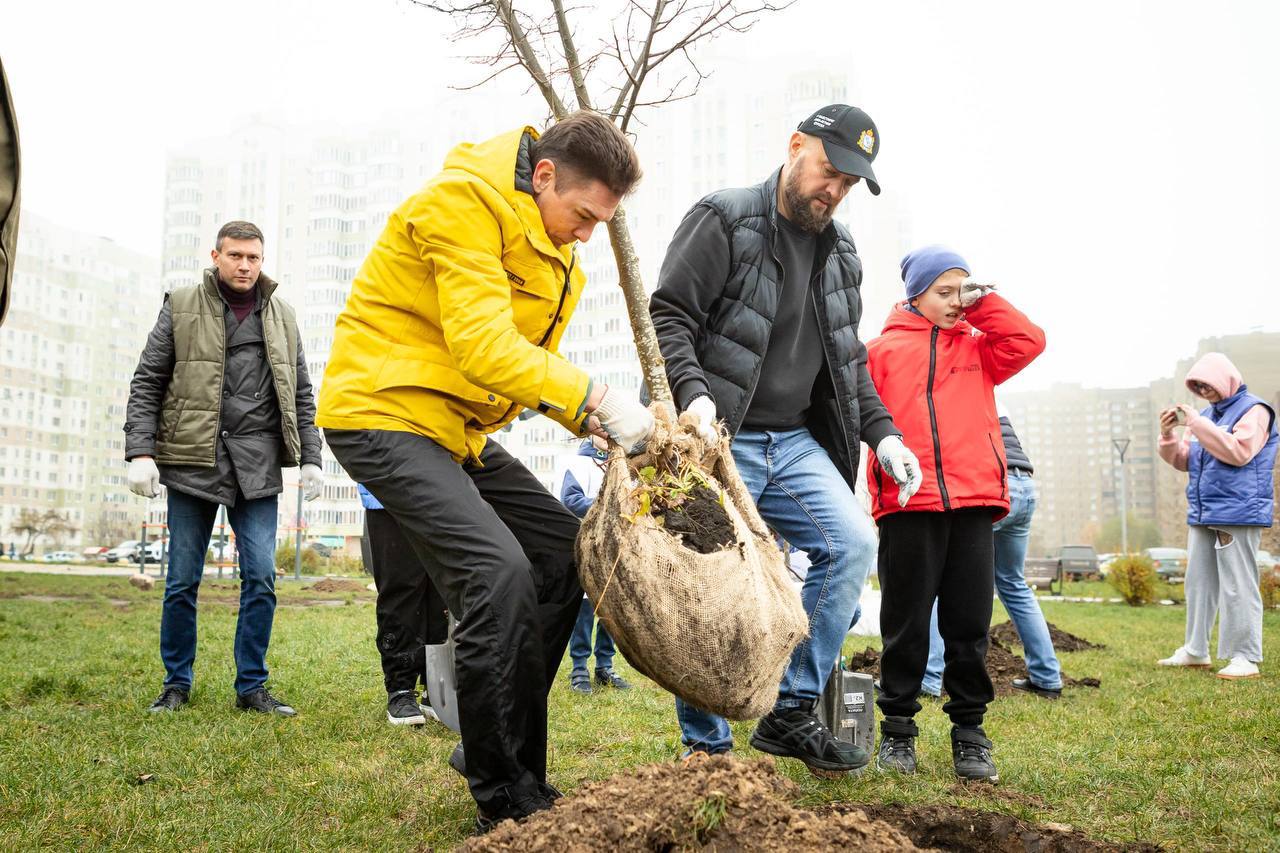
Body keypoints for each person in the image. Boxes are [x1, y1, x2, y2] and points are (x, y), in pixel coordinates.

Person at [315, 111, 652, 832]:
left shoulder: (553, 245)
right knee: (496, 575)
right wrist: (592, 395)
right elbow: (484, 347)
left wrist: (596, 423)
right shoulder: (460, 203)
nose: (587, 233)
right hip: (379, 408)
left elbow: (523, 374)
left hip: (450, 426)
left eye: (601, 222)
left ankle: (493, 752)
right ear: (543, 175)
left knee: (566, 557)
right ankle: (505, 798)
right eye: (582, 214)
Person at [649, 103, 922, 777]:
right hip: (721, 436)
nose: (834, 190)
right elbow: (669, 314)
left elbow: (847, 357)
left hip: (796, 441)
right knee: (711, 583)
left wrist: (883, 435)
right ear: (796, 145)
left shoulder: (843, 252)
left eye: (849, 183)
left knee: (852, 542)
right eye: (829, 171)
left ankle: (791, 708)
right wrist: (695, 397)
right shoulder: (725, 218)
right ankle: (706, 749)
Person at [124, 220, 323, 717]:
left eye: (253, 257)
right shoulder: (181, 304)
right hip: (193, 460)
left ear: (262, 259)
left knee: (261, 577)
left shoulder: (283, 315)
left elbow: (300, 393)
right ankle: (176, 684)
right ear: (216, 256)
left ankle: (252, 686)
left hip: (256, 467)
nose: (244, 265)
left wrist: (314, 458)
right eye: (235, 256)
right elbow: (148, 380)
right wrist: (140, 452)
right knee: (181, 580)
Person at [866, 245, 1045, 783]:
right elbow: (861, 416)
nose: (955, 302)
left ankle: (970, 733)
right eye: (944, 292)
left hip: (973, 502)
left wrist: (983, 302)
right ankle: (898, 732)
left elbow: (1030, 340)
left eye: (962, 290)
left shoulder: (981, 348)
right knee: (905, 624)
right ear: (914, 294)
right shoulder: (880, 351)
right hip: (907, 504)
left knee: (968, 625)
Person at [920, 403, 1063, 700]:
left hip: (996, 486)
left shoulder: (960, 394)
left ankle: (929, 678)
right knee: (1013, 582)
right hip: (1024, 486)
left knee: (939, 577)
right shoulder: (996, 401)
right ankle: (1047, 677)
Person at [1156, 352, 1276, 680]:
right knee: (1199, 583)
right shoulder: (1206, 416)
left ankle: (1245, 656)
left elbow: (1239, 453)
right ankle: (1196, 650)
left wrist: (1196, 422)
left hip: (1238, 511)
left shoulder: (1255, 410)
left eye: (1208, 384)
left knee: (1238, 584)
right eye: (1197, 386)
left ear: (1225, 380)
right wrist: (1168, 436)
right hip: (1203, 509)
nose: (1203, 391)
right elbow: (1184, 460)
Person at [359, 483, 449, 724]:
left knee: (440, 591)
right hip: (389, 488)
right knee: (401, 586)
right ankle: (400, 689)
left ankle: (437, 689)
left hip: (441, 493)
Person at [555, 437, 631, 694]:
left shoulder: (623, 464)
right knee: (585, 610)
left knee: (610, 609)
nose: (607, 435)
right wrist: (609, 507)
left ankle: (604, 666)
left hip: (615, 547)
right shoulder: (578, 462)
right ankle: (578, 668)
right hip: (588, 545)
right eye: (602, 428)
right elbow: (570, 499)